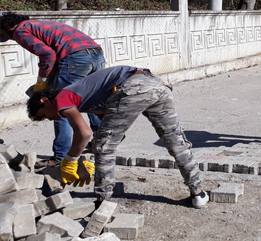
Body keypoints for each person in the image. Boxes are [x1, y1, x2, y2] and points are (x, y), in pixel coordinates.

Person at [26, 65, 208, 209]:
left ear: (45, 100)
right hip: (157, 86)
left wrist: (70, 160)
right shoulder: (89, 98)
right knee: (175, 141)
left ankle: (102, 203)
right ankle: (198, 193)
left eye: (44, 115)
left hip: (132, 87)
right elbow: (114, 133)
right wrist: (91, 147)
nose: (50, 118)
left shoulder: (63, 97)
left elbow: (84, 132)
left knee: (104, 147)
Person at [0, 11, 105, 167]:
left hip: (75, 59)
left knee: (60, 106)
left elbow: (47, 54)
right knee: (92, 101)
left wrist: (42, 81)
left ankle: (60, 157)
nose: (7, 37)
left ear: (8, 25)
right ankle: (101, 144)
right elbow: (56, 51)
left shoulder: (20, 31)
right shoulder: (39, 24)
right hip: (96, 56)